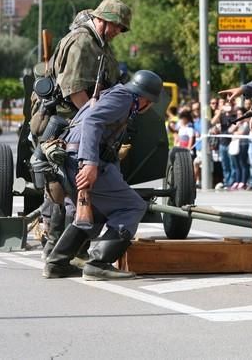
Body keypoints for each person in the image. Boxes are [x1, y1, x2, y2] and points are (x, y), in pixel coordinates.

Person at [43, 70, 163, 280]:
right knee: (133, 206)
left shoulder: (113, 95)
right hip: (83, 160)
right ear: (145, 98)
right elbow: (92, 122)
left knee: (96, 212)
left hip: (70, 160)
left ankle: (57, 263)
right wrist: (89, 163)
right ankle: (99, 263)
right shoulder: (124, 98)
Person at [38, 0, 132, 261]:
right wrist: (95, 121)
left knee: (75, 187)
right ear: (102, 19)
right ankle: (57, 248)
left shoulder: (98, 43)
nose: (118, 32)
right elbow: (75, 90)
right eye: (116, 26)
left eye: (121, 29)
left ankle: (66, 250)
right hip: (71, 122)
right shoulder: (83, 41)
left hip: (82, 122)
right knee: (66, 187)